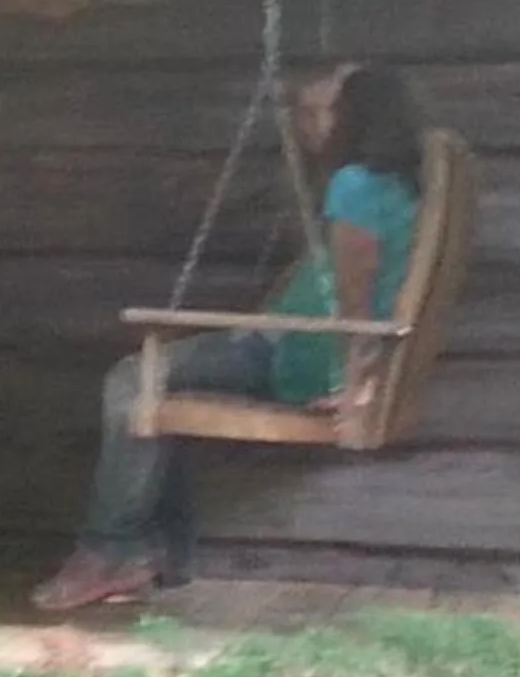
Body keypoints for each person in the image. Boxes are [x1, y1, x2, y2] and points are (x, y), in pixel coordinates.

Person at [33, 62, 429, 614]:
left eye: (330, 108)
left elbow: (355, 300)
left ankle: (109, 552)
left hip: (296, 354)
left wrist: (354, 380)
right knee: (156, 393)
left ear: (355, 116)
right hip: (290, 343)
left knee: (132, 381)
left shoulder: (356, 187)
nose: (316, 120)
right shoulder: (399, 189)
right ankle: (159, 551)